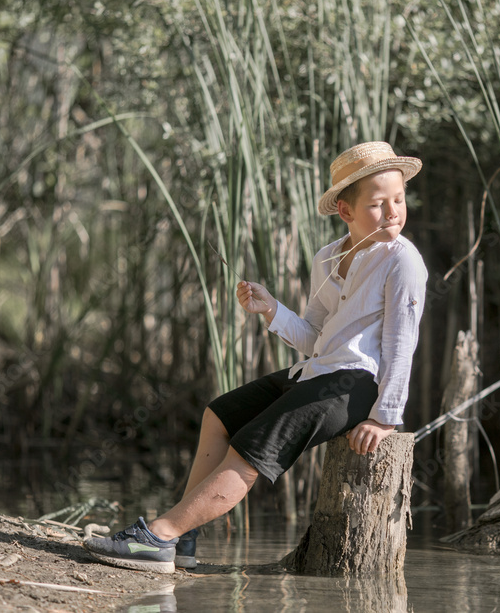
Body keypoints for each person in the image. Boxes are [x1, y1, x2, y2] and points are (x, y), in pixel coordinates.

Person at [83, 141, 428, 573]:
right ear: (346, 211)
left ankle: (159, 536)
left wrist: (385, 417)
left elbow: (402, 343)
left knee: (251, 450)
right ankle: (185, 539)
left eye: (399, 199)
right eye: (378, 204)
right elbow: (315, 338)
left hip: (357, 384)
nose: (394, 212)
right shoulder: (328, 258)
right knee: (220, 415)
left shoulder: (404, 262)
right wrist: (271, 308)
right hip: (316, 370)